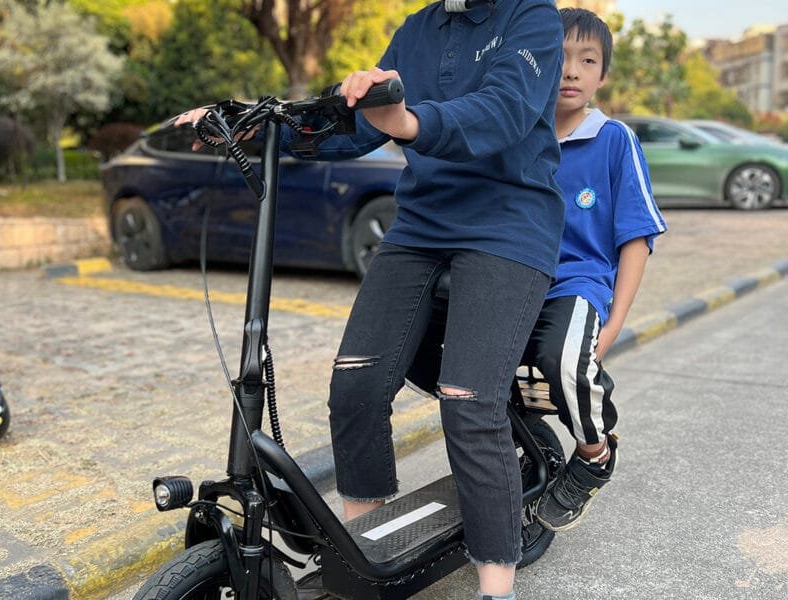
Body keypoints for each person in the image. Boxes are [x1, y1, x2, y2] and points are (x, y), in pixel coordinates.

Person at [178, 1, 565, 598]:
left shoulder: (530, 15)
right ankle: (357, 566)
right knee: (355, 386)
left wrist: (409, 122)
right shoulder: (417, 29)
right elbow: (359, 121)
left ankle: (497, 589)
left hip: (509, 224)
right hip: (422, 226)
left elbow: (506, 109)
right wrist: (255, 123)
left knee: (467, 400)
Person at [408, 6, 667, 534]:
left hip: (575, 284)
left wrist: (613, 326)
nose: (570, 70)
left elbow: (635, 238)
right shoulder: (512, 132)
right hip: (505, 273)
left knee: (564, 359)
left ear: (601, 74)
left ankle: (594, 454)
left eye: (587, 60)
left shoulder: (614, 140)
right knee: (414, 339)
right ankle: (508, 427)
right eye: (560, 56)